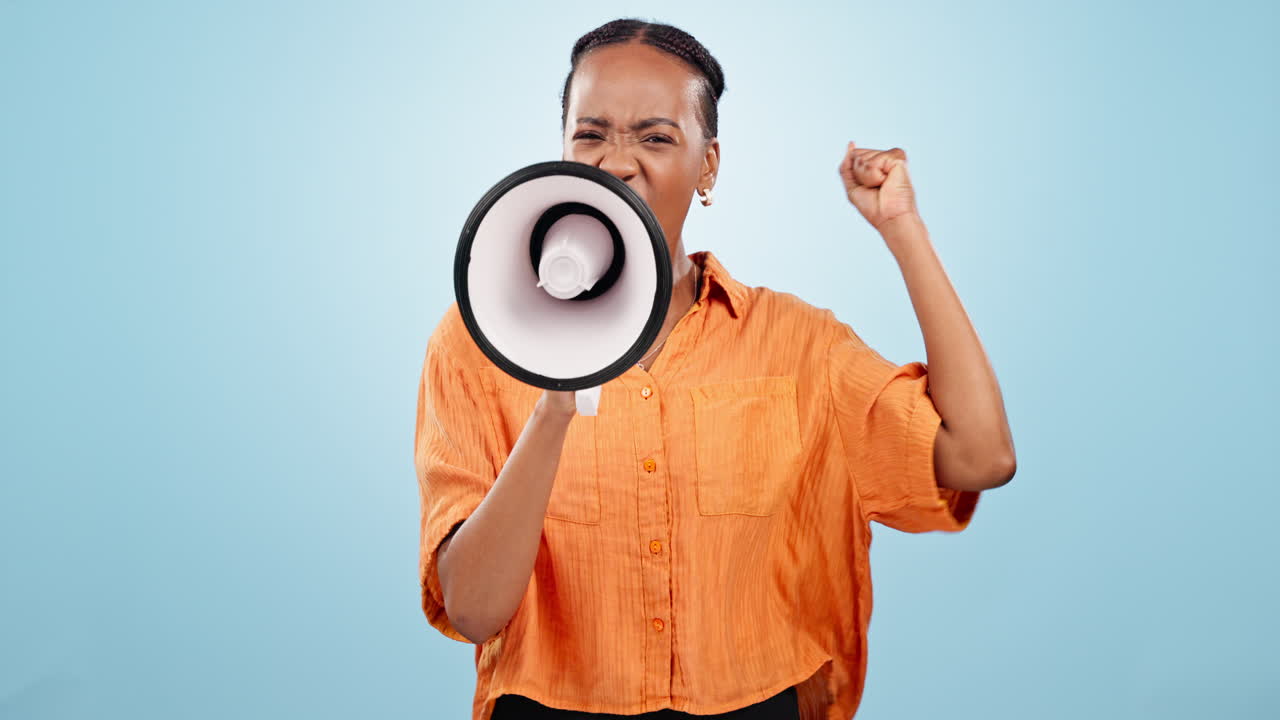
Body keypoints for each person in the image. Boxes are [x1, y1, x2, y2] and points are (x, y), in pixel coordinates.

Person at [415, 18, 1017, 720]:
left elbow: (982, 456)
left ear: (708, 166)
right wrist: (555, 404)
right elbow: (474, 610)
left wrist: (902, 228)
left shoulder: (797, 345)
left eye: (656, 137)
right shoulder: (479, 342)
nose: (617, 162)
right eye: (591, 134)